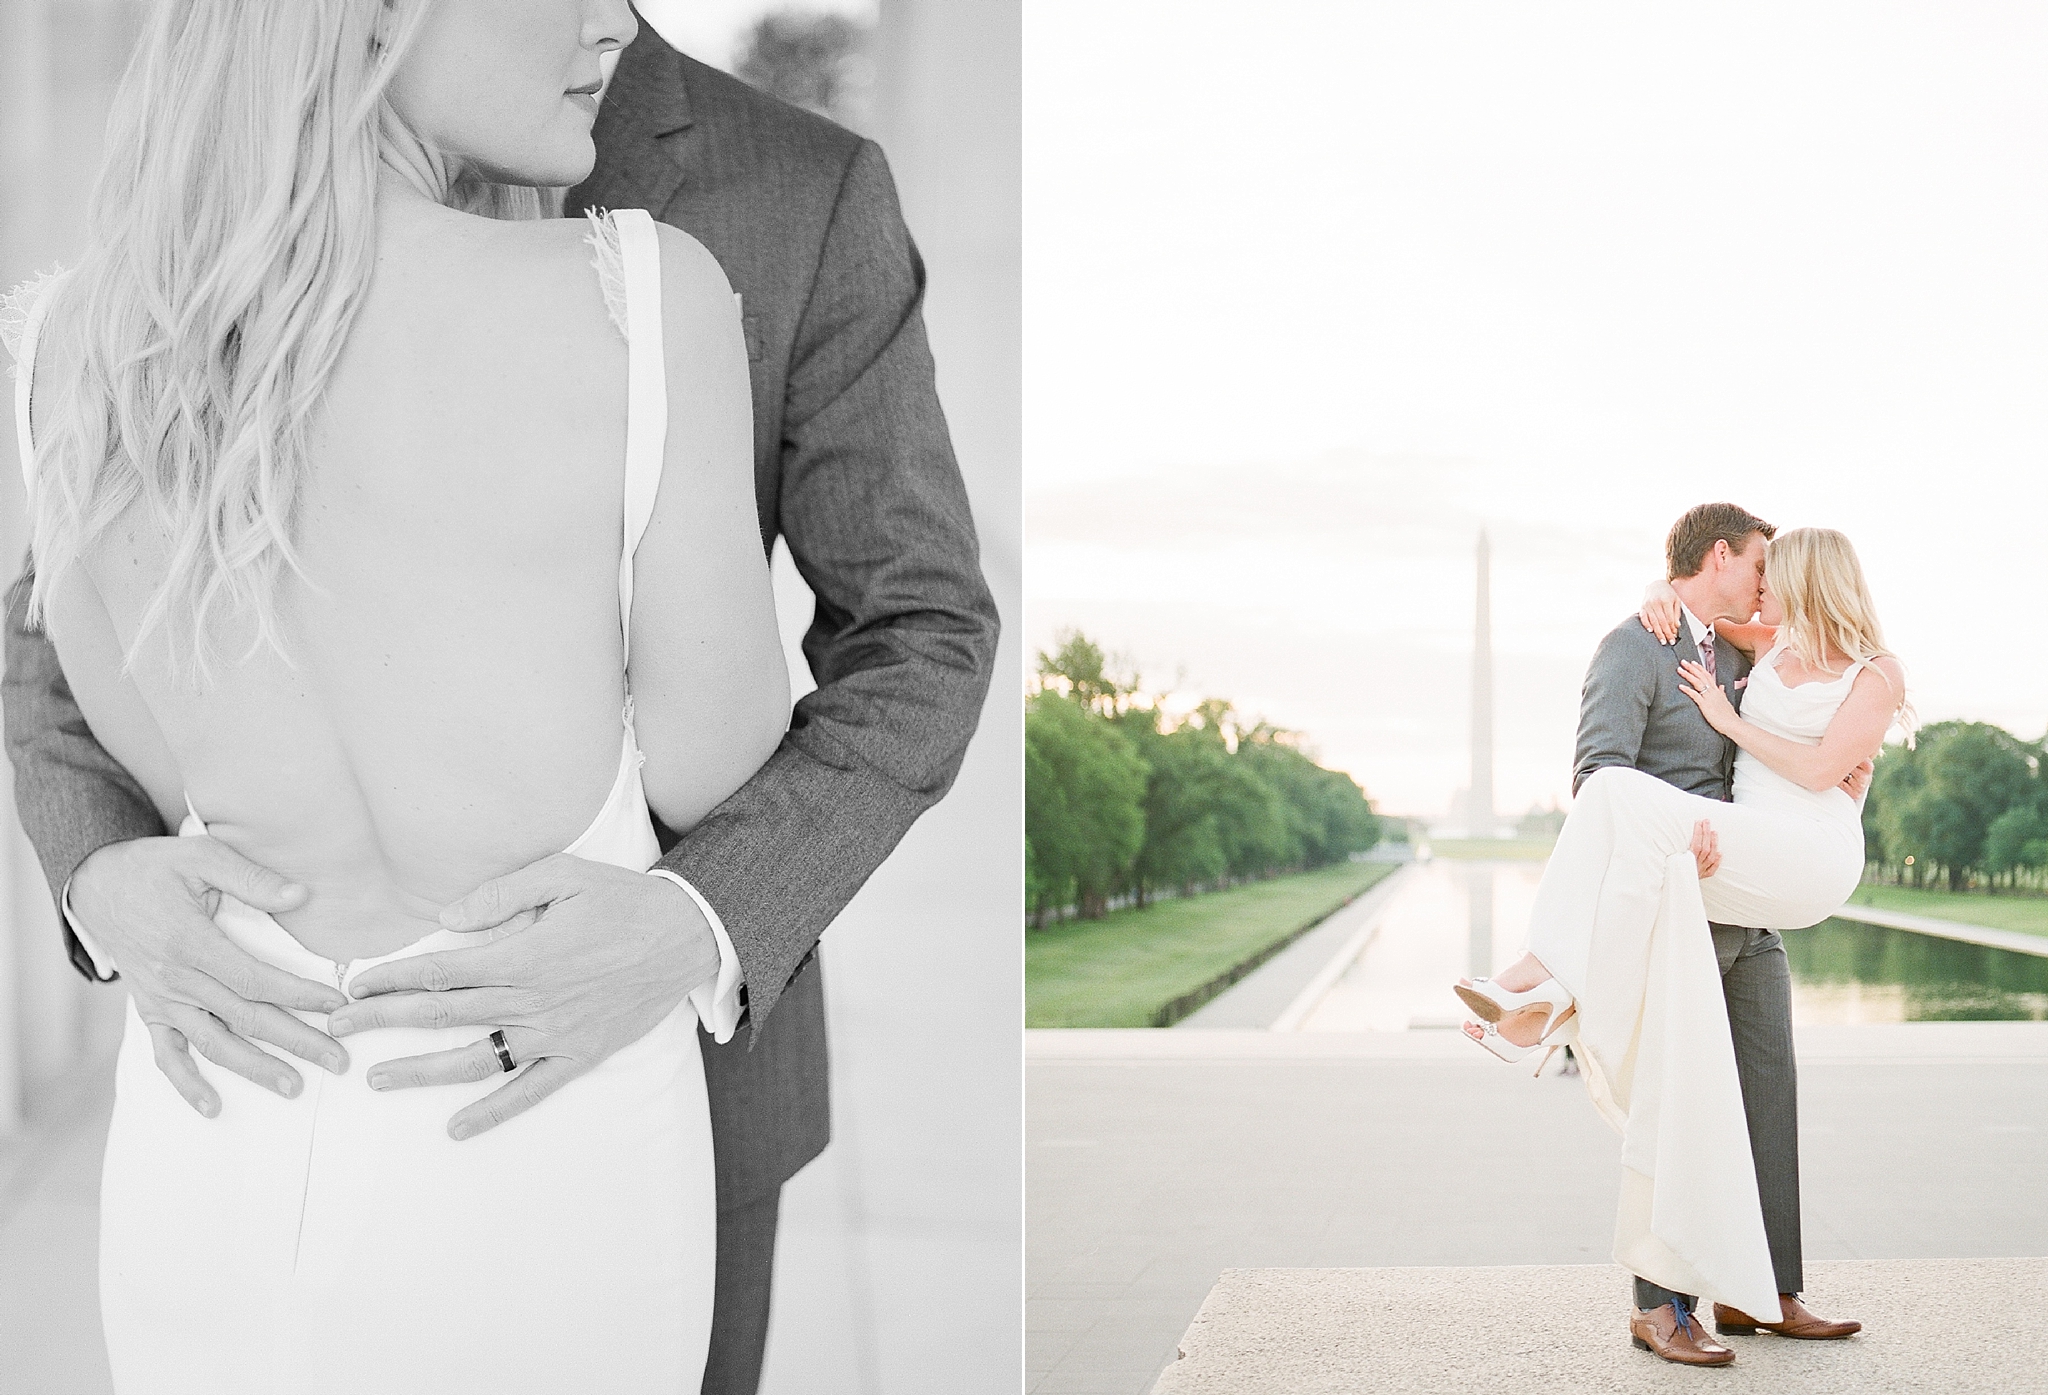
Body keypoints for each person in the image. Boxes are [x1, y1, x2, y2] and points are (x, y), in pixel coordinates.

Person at [2, 2, 994, 1392]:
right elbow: (34, 649)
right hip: (399, 1105)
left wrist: (701, 918)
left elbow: (924, 625)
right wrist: (93, 876)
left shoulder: (799, 186)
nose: (605, 20)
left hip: (326, 1108)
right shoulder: (654, 293)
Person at [1451, 506, 1896, 1366]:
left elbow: (1800, 686)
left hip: (1747, 894)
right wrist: (1655, 598)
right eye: (1758, 563)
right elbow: (1598, 779)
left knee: (1768, 1096)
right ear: (1721, 555)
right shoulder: (1632, 645)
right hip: (1675, 897)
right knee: (1678, 1099)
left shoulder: (1738, 647)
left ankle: (1762, 1290)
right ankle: (1659, 1305)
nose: (1769, 582)